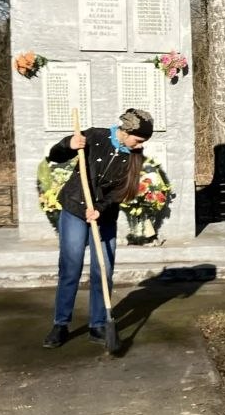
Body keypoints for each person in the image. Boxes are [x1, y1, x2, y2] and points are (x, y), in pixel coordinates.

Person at [42, 108, 153, 349]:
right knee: (70, 267)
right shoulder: (94, 136)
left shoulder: (134, 155)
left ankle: (98, 325)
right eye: (139, 139)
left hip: (104, 215)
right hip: (74, 208)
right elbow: (55, 156)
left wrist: (100, 209)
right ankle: (60, 324)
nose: (141, 145)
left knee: (102, 270)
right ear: (126, 131)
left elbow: (123, 190)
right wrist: (68, 144)